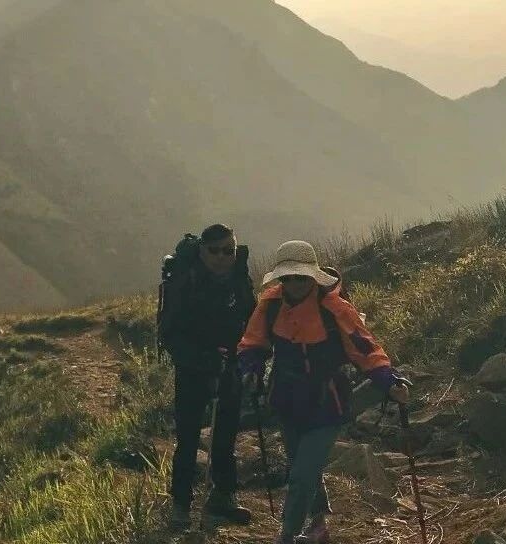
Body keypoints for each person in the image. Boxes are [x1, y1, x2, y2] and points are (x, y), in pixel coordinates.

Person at [237, 240, 410, 544]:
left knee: (302, 473)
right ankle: (318, 526)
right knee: (302, 466)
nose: (293, 284)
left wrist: (388, 380)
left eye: (300, 277)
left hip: (327, 402)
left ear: (313, 277)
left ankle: (287, 535)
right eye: (287, 278)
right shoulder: (270, 304)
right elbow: (252, 344)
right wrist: (249, 370)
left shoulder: (335, 309)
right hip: (287, 399)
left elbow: (365, 349)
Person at [158, 224, 256, 528]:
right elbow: (170, 334)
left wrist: (248, 357)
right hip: (192, 371)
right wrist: (204, 360)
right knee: (187, 438)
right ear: (201, 250)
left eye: (228, 250)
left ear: (235, 249)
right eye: (214, 250)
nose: (221, 257)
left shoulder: (239, 277)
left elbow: (252, 319)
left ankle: (223, 497)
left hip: (229, 367)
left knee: (225, 435)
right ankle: (181, 505)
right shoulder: (185, 282)